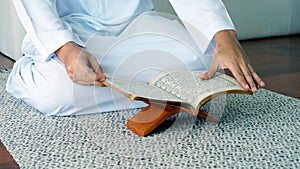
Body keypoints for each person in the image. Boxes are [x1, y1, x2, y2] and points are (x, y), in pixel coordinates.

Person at [7, 0, 265, 116]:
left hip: (136, 22)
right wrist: (65, 49)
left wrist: (224, 37)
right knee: (56, 92)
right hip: (71, 31)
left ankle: (133, 85)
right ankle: (30, 73)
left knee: (205, 61)